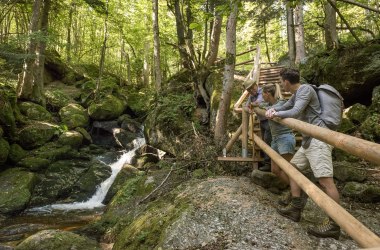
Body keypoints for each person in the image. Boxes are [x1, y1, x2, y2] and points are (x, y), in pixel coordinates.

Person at [265, 68, 341, 240]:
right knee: (293, 169)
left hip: (319, 139)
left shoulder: (305, 90)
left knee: (325, 180)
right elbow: (285, 106)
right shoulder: (296, 93)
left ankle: (334, 224)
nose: (281, 84)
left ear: (285, 81)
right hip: (309, 140)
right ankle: (296, 207)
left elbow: (295, 111)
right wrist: (271, 110)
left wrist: (276, 113)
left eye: (281, 81)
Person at [258, 84, 295, 190]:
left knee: (288, 169)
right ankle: (294, 190)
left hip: (285, 138)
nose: (261, 96)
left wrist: (270, 109)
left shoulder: (282, 103)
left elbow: (283, 108)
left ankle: (296, 193)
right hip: (275, 139)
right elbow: (261, 105)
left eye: (262, 94)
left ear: (268, 94)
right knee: (275, 170)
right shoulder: (268, 104)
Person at [243, 79, 272, 172]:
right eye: (249, 90)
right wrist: (249, 109)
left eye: (252, 88)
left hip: (269, 120)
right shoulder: (252, 96)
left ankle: (269, 164)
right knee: (264, 141)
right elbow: (246, 106)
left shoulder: (263, 91)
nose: (251, 90)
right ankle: (267, 163)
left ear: (256, 85)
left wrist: (251, 105)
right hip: (262, 121)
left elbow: (259, 102)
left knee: (267, 141)